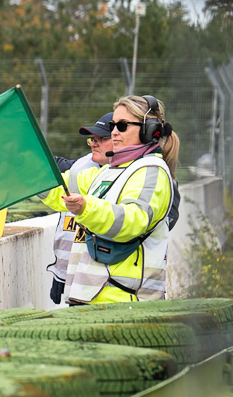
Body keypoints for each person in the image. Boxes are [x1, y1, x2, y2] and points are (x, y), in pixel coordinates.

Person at [41, 95, 180, 305]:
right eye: (114, 125)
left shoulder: (152, 171)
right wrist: (26, 167)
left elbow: (132, 222)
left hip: (125, 303)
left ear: (149, 130)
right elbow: (59, 188)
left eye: (122, 126)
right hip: (91, 298)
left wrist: (86, 208)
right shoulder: (108, 170)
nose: (114, 131)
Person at [47, 112, 113, 304]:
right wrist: (61, 272)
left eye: (102, 138)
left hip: (114, 290)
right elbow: (59, 200)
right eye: (93, 138)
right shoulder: (80, 172)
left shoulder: (143, 176)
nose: (93, 142)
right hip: (80, 281)